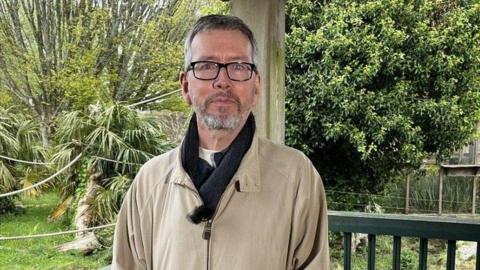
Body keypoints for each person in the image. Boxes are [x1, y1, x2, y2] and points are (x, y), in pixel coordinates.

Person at [111, 14, 329, 270]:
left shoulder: (296, 177)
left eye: (238, 66)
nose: (222, 81)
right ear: (185, 86)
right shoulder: (150, 182)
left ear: (256, 87)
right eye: (206, 65)